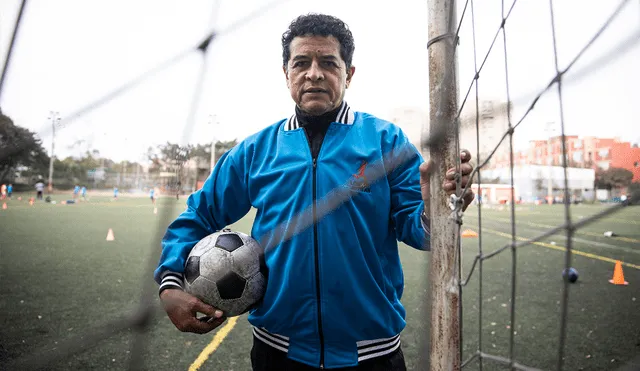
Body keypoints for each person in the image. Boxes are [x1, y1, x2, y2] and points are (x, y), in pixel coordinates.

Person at [154, 13, 475, 370]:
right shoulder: (256, 150)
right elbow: (199, 215)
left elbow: (422, 233)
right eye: (302, 63)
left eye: (328, 63)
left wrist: (437, 208)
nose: (314, 74)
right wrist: (170, 284)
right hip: (277, 351)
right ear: (286, 73)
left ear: (348, 74)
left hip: (372, 353)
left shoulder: (387, 142)